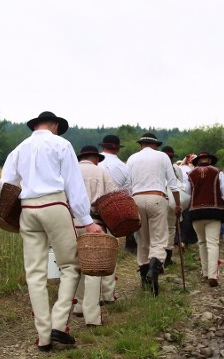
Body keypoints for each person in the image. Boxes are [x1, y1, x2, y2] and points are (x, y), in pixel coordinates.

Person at [0, 111, 104, 352]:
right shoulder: (61, 144)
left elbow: (6, 183)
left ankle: (43, 336)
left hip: (28, 210)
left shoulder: (19, 149)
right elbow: (73, 185)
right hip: (54, 206)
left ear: (35, 126)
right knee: (70, 266)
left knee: (34, 273)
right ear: (55, 125)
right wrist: (87, 220)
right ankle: (59, 323)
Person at [126, 133, 182, 296]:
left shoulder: (132, 159)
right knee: (159, 238)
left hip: (136, 198)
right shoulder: (163, 157)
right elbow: (173, 183)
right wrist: (177, 204)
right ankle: (154, 269)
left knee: (143, 239)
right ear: (156, 145)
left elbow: (128, 185)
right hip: (156, 197)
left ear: (141, 145)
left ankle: (146, 281)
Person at [71, 145, 117, 326]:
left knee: (75, 266)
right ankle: (92, 316)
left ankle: (78, 305)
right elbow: (112, 197)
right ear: (95, 158)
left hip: (71, 223)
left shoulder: (71, 171)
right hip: (95, 223)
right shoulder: (101, 172)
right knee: (93, 270)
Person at [184, 151, 224, 287]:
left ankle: (205, 272)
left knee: (202, 242)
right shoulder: (218, 173)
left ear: (197, 161)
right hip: (214, 212)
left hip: (196, 213)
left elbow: (188, 194)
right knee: (213, 243)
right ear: (210, 160)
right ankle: (212, 275)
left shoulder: (191, 175)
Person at [97, 134, 130, 303]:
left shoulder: (96, 164)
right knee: (110, 251)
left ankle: (91, 295)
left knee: (92, 253)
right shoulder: (123, 167)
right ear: (117, 148)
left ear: (102, 147)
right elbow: (127, 194)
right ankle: (108, 294)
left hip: (91, 213)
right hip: (113, 213)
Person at [160, 146, 188, 267]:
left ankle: (158, 259)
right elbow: (180, 184)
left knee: (159, 230)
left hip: (160, 199)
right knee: (171, 229)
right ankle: (168, 257)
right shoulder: (176, 168)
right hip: (172, 199)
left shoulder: (157, 167)